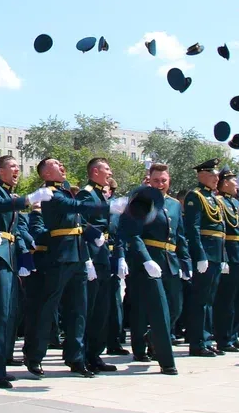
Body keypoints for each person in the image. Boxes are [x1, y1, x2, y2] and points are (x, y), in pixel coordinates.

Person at [23, 158, 126, 378]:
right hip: (59, 255)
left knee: (78, 310)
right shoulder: (50, 193)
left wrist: (88, 253)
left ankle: (76, 358)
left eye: (61, 164)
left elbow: (78, 222)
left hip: (78, 254)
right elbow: (74, 207)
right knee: (48, 308)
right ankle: (34, 356)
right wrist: (106, 206)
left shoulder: (65, 190)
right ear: (45, 173)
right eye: (55, 164)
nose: (62, 166)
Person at [0, 156, 52, 387]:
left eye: (18, 167)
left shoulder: (7, 193)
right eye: (12, 167)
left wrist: (24, 257)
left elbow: (15, 229)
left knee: (6, 314)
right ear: (0, 170)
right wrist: (28, 199)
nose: (17, 170)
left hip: (8, 257)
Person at [118, 161, 183, 375]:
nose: (160, 184)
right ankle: (167, 361)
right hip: (148, 261)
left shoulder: (174, 204)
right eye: (156, 180)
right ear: (149, 180)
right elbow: (132, 233)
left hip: (170, 260)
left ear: (169, 181)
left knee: (176, 307)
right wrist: (146, 259)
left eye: (163, 180)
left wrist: (186, 262)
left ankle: (152, 337)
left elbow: (179, 235)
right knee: (159, 310)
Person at [76, 158, 123, 373]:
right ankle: (82, 356)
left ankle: (95, 355)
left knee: (102, 310)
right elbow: (80, 223)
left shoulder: (99, 194)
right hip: (92, 256)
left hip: (103, 255)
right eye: (106, 168)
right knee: (90, 309)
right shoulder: (87, 193)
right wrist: (87, 259)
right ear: (95, 171)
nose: (110, 172)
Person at [183, 159, 225, 357]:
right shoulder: (195, 196)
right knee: (200, 300)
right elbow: (193, 228)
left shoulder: (214, 198)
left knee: (209, 299)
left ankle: (206, 339)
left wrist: (222, 256)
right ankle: (197, 342)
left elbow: (221, 230)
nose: (217, 178)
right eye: (213, 174)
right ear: (202, 175)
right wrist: (200, 255)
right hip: (205, 255)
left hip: (215, 254)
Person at [212, 168, 239, 353]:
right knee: (225, 300)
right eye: (233, 181)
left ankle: (234, 336)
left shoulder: (234, 202)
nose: (236, 184)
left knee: (238, 298)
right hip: (229, 252)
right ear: (225, 182)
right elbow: (222, 231)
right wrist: (224, 257)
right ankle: (224, 338)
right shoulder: (218, 202)